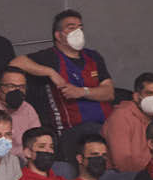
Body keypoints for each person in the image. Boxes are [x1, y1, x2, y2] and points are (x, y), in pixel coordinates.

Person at [11, 10, 114, 167]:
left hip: (106, 125)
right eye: (71, 27)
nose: (77, 31)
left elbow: (109, 92)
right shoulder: (51, 57)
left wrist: (81, 92)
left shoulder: (93, 57)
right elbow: (16, 63)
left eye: (80, 27)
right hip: (72, 131)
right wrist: (50, 72)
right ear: (58, 35)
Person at [102, 72, 153, 178]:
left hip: (151, 174)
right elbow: (123, 163)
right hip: (119, 175)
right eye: (150, 93)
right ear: (137, 96)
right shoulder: (121, 116)